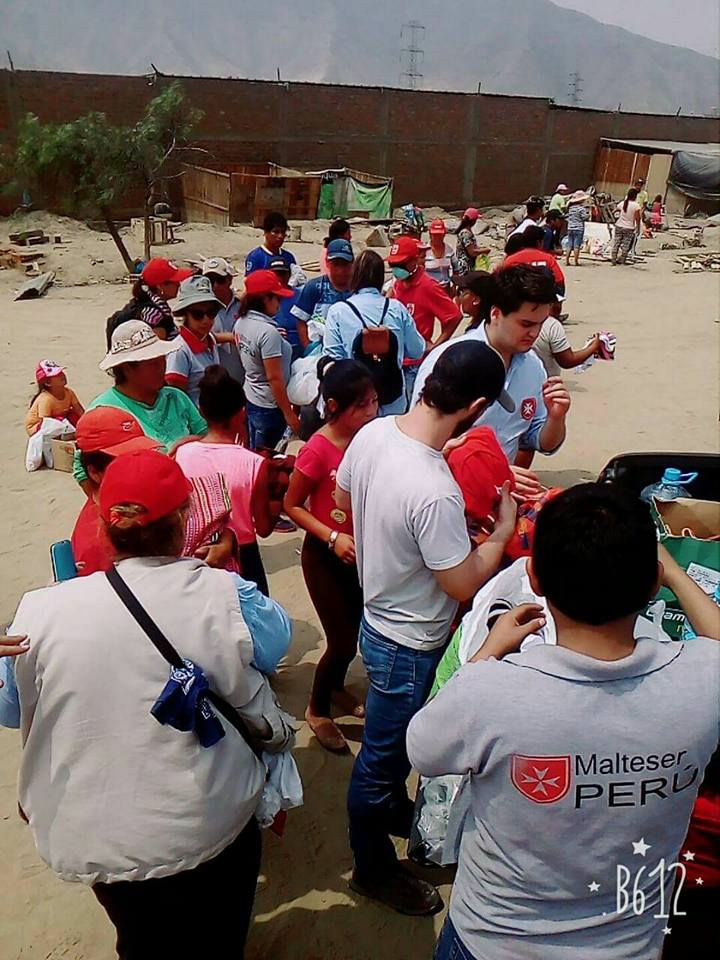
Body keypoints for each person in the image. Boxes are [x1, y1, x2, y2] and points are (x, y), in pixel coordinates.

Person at [407, 484, 720, 960]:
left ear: (533, 577)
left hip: (494, 941)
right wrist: (675, 573)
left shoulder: (491, 691)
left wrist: (488, 651)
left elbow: (423, 749)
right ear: (652, 584)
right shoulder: (700, 681)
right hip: (628, 945)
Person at [7, 450, 296, 960]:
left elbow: (10, 709)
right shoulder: (228, 594)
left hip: (97, 839)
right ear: (184, 520)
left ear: (103, 525)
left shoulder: (38, 611)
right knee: (220, 938)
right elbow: (277, 644)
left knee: (140, 940)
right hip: (210, 824)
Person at [336, 340, 519, 916]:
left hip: (376, 619)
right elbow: (461, 584)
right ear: (477, 406)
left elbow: (343, 495)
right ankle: (371, 869)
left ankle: (390, 806)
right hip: (409, 639)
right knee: (382, 761)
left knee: (389, 752)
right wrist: (499, 534)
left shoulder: (374, 433)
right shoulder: (434, 487)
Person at [284, 359, 378, 752]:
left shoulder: (370, 440)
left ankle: (337, 686)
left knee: (354, 634)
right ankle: (317, 709)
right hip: (324, 558)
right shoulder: (317, 449)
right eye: (362, 405)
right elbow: (292, 505)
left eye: (374, 401)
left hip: (360, 556)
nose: (371, 411)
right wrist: (332, 536)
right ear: (335, 406)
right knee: (340, 642)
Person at [411, 266, 571, 497]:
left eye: (541, 324)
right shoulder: (449, 361)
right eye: (526, 324)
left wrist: (556, 417)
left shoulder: (533, 367)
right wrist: (492, 471)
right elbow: (421, 445)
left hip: (501, 499)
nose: (535, 333)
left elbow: (541, 442)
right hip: (446, 494)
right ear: (495, 314)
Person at [174, 365, 282, 595]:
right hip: (244, 554)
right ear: (241, 413)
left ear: (201, 409)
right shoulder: (254, 463)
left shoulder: (183, 452)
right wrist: (278, 501)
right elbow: (263, 528)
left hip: (197, 552)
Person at [73, 320, 208, 491]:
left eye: (162, 360)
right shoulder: (103, 411)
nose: (162, 368)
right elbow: (82, 467)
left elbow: (205, 434)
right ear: (127, 368)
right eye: (153, 364)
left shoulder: (176, 397)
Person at [324, 250, 425, 416]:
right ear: (380, 278)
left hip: (355, 402)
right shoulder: (397, 308)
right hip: (393, 399)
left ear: (354, 276)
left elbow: (332, 357)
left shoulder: (338, 311)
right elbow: (417, 350)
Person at [387, 236, 463, 403]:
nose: (397, 269)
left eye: (401, 264)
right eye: (393, 265)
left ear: (414, 261)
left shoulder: (428, 286)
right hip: (394, 360)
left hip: (413, 365)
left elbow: (454, 316)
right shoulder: (398, 284)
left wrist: (436, 346)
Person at [234, 269, 299, 450]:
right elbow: (274, 378)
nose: (280, 303)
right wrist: (289, 414)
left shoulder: (241, 322)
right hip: (270, 406)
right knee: (269, 457)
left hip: (252, 396)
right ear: (265, 299)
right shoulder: (267, 332)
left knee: (254, 449)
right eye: (277, 298)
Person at [107, 258, 194, 346]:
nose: (179, 284)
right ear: (160, 286)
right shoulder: (154, 315)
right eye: (174, 282)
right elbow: (156, 348)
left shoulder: (145, 302)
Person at [165, 275, 222, 405]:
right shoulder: (179, 351)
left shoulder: (209, 340)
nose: (206, 320)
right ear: (185, 314)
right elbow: (177, 399)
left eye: (211, 313)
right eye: (198, 314)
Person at [290, 239, 354, 350]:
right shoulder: (314, 287)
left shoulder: (358, 289)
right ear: (327, 263)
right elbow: (301, 321)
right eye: (336, 265)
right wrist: (309, 349)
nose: (340, 270)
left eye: (344, 265)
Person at [202, 257, 245, 384]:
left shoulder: (244, 303)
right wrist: (226, 337)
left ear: (229, 280)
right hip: (214, 379)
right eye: (210, 281)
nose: (215, 285)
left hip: (244, 376)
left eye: (220, 280)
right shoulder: (199, 308)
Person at [245, 211, 306, 287]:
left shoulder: (288, 257)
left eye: (283, 232)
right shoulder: (256, 257)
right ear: (266, 232)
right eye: (276, 232)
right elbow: (249, 284)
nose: (280, 236)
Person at [25, 360, 84, 436]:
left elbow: (79, 410)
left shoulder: (69, 392)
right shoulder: (46, 399)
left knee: (74, 415)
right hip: (38, 427)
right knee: (59, 421)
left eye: (61, 372)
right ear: (48, 383)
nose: (62, 375)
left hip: (59, 419)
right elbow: (46, 422)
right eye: (57, 375)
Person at [503, 226, 565, 293]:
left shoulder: (511, 260)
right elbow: (560, 282)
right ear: (539, 242)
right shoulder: (548, 259)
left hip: (518, 297)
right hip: (544, 296)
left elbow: (501, 282)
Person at [267, 257, 303, 359]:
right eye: (275, 274)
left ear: (289, 275)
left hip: (299, 351)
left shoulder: (301, 296)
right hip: (273, 350)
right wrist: (272, 333)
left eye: (282, 274)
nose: (279, 278)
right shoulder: (263, 298)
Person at [455, 207, 489, 277]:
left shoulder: (467, 231)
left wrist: (480, 248)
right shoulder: (465, 233)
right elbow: (472, 252)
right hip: (465, 267)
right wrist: (484, 251)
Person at [612, 188, 642, 265]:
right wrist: (638, 228)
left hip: (619, 225)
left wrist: (615, 219)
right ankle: (622, 260)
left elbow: (614, 211)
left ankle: (613, 259)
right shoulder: (636, 206)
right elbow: (638, 218)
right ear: (635, 196)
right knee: (626, 244)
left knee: (616, 243)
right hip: (629, 227)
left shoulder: (622, 203)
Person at [563, 190, 590, 267]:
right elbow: (584, 217)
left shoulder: (571, 208)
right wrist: (588, 215)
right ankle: (576, 261)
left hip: (570, 228)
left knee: (569, 245)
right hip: (579, 228)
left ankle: (567, 260)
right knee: (576, 246)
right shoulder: (581, 209)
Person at [425, 219, 454, 289]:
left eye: (440, 235)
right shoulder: (424, 251)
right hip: (429, 288)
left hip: (446, 288)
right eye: (435, 235)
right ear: (430, 235)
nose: (438, 238)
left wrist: (454, 286)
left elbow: (456, 270)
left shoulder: (449, 250)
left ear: (444, 235)